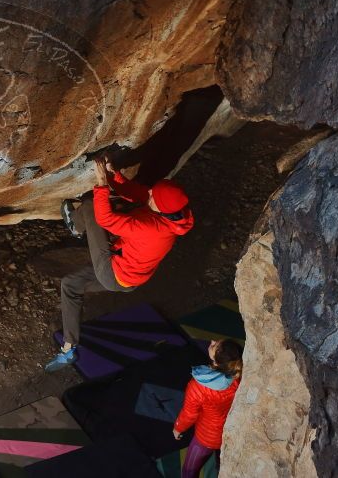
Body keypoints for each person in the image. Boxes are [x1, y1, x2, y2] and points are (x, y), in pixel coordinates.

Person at [45, 157, 194, 371]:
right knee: (70, 284)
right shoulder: (175, 215)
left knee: (90, 206)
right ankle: (69, 349)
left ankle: (76, 227)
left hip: (112, 272)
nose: (149, 192)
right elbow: (139, 194)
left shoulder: (152, 228)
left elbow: (105, 219)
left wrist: (101, 183)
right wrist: (113, 175)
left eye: (153, 194)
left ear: (160, 207)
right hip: (128, 278)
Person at [173, 339, 243, 478]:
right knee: (223, 463)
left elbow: (189, 413)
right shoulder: (238, 377)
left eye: (214, 345)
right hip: (231, 431)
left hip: (206, 437)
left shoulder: (198, 386)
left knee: (188, 472)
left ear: (216, 361)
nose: (212, 341)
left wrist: (178, 428)